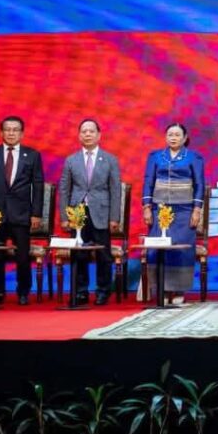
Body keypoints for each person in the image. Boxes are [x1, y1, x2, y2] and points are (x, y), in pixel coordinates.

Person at [0, 116, 44, 305]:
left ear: (22, 133)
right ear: (1, 132)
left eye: (15, 130)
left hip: (21, 213)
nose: (11, 133)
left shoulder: (32, 155)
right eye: (7, 129)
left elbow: (38, 186)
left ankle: (23, 292)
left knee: (22, 256)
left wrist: (36, 213)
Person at [58, 119, 122, 306]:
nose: (87, 134)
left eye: (91, 131)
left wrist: (114, 217)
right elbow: (64, 190)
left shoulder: (110, 159)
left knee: (103, 255)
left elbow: (115, 190)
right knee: (79, 254)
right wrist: (65, 217)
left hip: (101, 213)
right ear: (79, 135)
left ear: (99, 135)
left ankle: (103, 291)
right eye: (84, 131)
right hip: (77, 214)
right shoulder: (71, 160)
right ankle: (81, 292)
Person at [142, 122, 206, 305]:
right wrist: (147, 207)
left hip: (184, 211)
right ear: (165, 137)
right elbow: (148, 181)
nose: (173, 138)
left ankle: (178, 290)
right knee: (157, 249)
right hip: (159, 210)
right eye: (170, 134)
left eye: (177, 135)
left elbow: (199, 184)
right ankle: (161, 289)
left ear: (184, 138)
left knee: (181, 250)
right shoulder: (155, 157)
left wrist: (197, 210)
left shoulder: (193, 157)